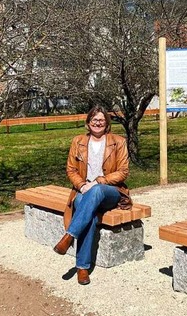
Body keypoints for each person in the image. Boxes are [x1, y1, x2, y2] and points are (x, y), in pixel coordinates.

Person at [53, 105, 131, 285]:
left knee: (95, 192)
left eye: (101, 120)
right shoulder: (78, 141)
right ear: (88, 123)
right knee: (89, 215)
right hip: (83, 191)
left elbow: (123, 172)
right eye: (94, 120)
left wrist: (97, 182)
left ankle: (69, 235)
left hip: (110, 191)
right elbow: (71, 170)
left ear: (107, 123)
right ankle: (82, 267)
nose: (98, 123)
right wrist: (81, 185)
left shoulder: (118, 142)